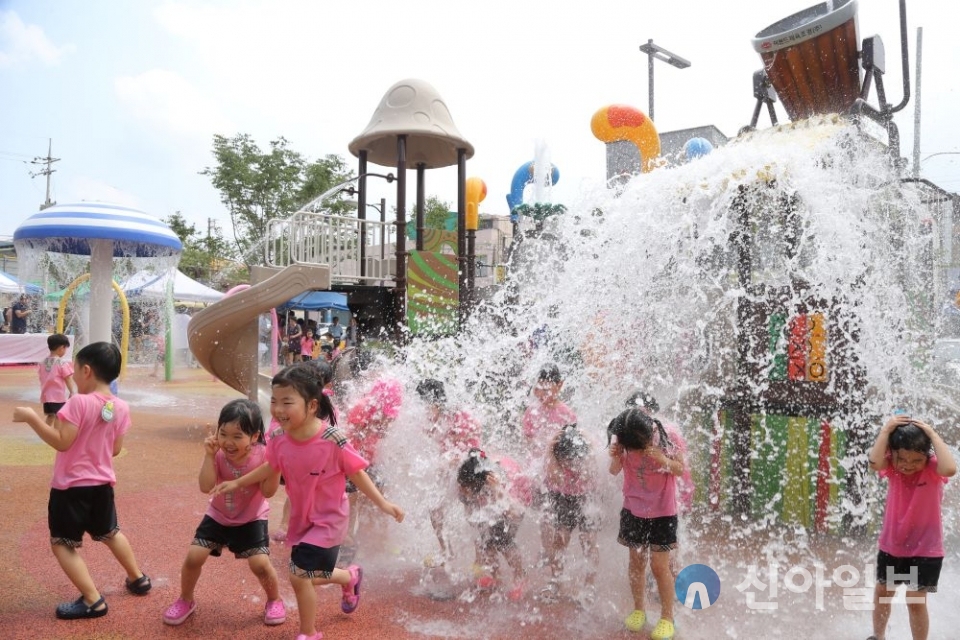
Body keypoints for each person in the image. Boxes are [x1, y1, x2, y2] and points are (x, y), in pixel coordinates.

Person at [211, 362, 404, 640]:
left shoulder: (332, 438)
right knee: (313, 574)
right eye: (275, 401)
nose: (277, 409)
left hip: (329, 519)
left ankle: (309, 633)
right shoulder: (278, 437)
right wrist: (238, 482)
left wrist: (384, 503)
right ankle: (349, 577)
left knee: (300, 576)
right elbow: (270, 468)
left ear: (312, 406)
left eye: (287, 402)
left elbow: (357, 473)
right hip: (303, 517)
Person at [12, 342, 151, 620]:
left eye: (74, 369)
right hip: (102, 485)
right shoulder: (120, 406)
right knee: (110, 532)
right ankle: (138, 578)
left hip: (71, 487)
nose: (72, 375)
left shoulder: (77, 402)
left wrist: (31, 418)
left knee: (62, 543)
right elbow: (114, 450)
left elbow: (62, 442)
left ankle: (93, 600)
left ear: (86, 370)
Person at [163, 399, 284, 626]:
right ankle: (185, 599)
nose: (228, 442)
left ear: (255, 437)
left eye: (237, 436)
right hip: (218, 515)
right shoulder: (218, 454)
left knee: (259, 564)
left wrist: (275, 466)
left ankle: (274, 600)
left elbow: (268, 492)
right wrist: (209, 455)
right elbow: (205, 487)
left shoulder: (263, 456)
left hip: (252, 517)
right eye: (223, 433)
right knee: (193, 557)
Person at [866, 415, 956, 640]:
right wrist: (886, 430)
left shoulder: (933, 469)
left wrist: (933, 434)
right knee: (883, 593)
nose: (908, 465)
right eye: (902, 459)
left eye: (916, 460)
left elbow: (951, 469)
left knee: (915, 600)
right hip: (894, 545)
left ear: (927, 456)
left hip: (926, 549)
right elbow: (874, 461)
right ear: (892, 454)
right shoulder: (892, 467)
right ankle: (878, 636)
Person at [608, 407, 685, 640]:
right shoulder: (625, 437)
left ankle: (666, 617)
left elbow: (680, 470)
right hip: (633, 510)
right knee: (636, 563)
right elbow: (613, 472)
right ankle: (639, 610)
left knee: (660, 567)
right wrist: (616, 456)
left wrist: (663, 459)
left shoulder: (667, 435)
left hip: (663, 512)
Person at [416, 378, 482, 563]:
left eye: (426, 404)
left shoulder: (460, 415)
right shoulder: (431, 418)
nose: (424, 408)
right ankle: (447, 551)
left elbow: (476, 438)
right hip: (447, 470)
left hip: (468, 471)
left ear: (436, 401)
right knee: (434, 508)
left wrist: (459, 456)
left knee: (473, 514)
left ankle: (480, 557)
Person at [521, 363, 577, 563]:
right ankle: (547, 550)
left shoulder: (567, 414)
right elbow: (528, 439)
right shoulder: (531, 412)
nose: (544, 392)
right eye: (540, 387)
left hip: (559, 472)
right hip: (538, 470)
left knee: (559, 515)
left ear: (559, 385)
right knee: (544, 515)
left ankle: (559, 551)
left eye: (548, 387)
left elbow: (571, 445)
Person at [343, 377, 403, 562]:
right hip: (352, 462)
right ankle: (346, 542)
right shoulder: (361, 408)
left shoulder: (387, 413)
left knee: (375, 502)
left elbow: (383, 436)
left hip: (373, 462)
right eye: (388, 414)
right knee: (349, 502)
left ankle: (368, 544)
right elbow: (350, 441)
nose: (390, 419)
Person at [457, 448, 527, 601]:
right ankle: (496, 577)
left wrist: (498, 491)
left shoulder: (498, 483)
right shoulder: (464, 480)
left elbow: (515, 513)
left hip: (513, 501)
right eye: (463, 486)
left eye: (468, 488)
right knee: (486, 544)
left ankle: (520, 578)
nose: (464, 490)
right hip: (490, 497)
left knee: (504, 542)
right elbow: (469, 509)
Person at [541, 424, 600, 604]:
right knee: (560, 538)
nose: (572, 465)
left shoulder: (589, 455)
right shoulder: (553, 460)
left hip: (588, 496)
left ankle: (589, 586)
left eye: (576, 461)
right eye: (568, 461)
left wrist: (583, 461)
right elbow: (556, 479)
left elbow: (590, 475)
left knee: (588, 541)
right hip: (562, 496)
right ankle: (556, 580)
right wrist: (551, 450)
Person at [39, 333, 77, 426]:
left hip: (46, 395)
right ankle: (56, 434)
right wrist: (72, 392)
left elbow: (41, 376)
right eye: (65, 348)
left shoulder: (43, 362)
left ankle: (45, 432)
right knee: (59, 416)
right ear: (61, 348)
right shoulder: (61, 363)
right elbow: (68, 378)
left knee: (50, 416)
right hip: (57, 396)